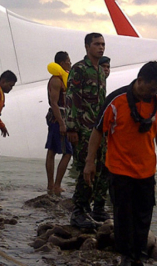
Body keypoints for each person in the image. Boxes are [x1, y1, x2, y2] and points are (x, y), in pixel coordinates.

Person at [84, 61, 157, 266]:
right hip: (119, 169)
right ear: (140, 80)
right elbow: (97, 131)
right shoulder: (116, 100)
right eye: (151, 88)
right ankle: (126, 256)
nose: (153, 92)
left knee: (143, 216)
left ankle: (140, 255)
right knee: (123, 216)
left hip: (146, 171)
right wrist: (90, 162)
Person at [65, 33, 106, 228]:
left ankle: (93, 209)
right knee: (85, 169)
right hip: (82, 129)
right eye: (97, 44)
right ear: (87, 47)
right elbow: (72, 98)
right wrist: (72, 127)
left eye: (103, 44)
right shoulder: (79, 69)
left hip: (97, 129)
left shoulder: (100, 71)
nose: (101, 47)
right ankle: (78, 212)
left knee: (99, 169)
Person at [45, 51, 72, 195]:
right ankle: (55, 185)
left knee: (52, 150)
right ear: (62, 63)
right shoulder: (56, 80)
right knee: (67, 152)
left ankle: (52, 185)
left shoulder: (63, 78)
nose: (70, 63)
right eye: (68, 61)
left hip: (62, 117)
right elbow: (54, 103)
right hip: (57, 119)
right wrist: (61, 123)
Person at [89, 55, 112, 221]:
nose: (106, 70)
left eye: (108, 67)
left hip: (101, 133)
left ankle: (98, 206)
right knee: (90, 168)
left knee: (104, 169)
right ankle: (83, 207)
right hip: (90, 132)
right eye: (103, 66)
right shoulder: (90, 81)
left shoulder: (103, 85)